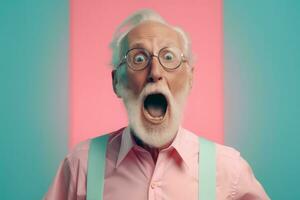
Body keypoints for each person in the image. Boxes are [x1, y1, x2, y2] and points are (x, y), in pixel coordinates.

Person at [44, 9, 270, 200]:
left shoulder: (229, 170)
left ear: (190, 78)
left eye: (169, 57)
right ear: (116, 82)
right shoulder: (80, 167)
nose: (155, 72)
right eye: (139, 59)